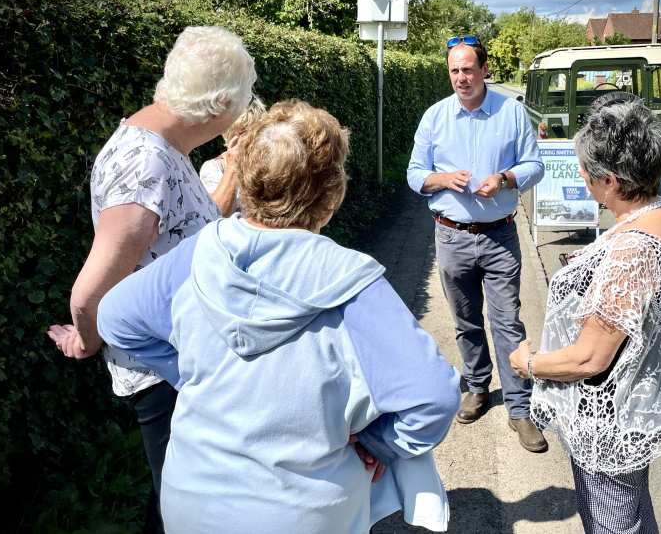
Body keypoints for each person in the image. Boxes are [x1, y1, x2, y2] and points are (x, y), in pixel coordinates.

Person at [94, 99, 462, 534]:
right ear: (331, 197)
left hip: (190, 503)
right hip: (303, 513)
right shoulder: (352, 282)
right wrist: (379, 444)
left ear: (247, 182)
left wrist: (189, 375)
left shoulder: (201, 252)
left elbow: (114, 318)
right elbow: (434, 397)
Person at [46, 26, 257, 534]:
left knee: (177, 499)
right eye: (243, 100)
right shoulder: (146, 167)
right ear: (219, 106)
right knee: (188, 511)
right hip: (166, 372)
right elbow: (89, 291)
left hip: (180, 362)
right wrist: (88, 337)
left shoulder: (156, 143)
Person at [510, 98, 661, 534]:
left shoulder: (632, 251)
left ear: (610, 181)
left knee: (612, 522)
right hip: (632, 404)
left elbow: (589, 359)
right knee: (633, 511)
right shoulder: (658, 213)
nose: (580, 176)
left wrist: (527, 364)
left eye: (586, 170)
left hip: (610, 416)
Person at [406, 36, 547, 452]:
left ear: (484, 70)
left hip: (500, 235)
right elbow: (415, 174)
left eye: (468, 69)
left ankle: (520, 410)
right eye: (454, 70)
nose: (461, 78)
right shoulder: (434, 117)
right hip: (451, 236)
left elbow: (535, 165)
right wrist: (442, 179)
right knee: (466, 322)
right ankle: (478, 387)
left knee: (507, 324)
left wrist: (504, 178)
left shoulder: (512, 113)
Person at [199, 95, 266, 216]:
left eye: (259, 130)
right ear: (231, 133)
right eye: (246, 131)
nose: (255, 137)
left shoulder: (271, 162)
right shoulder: (214, 168)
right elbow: (217, 215)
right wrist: (233, 168)